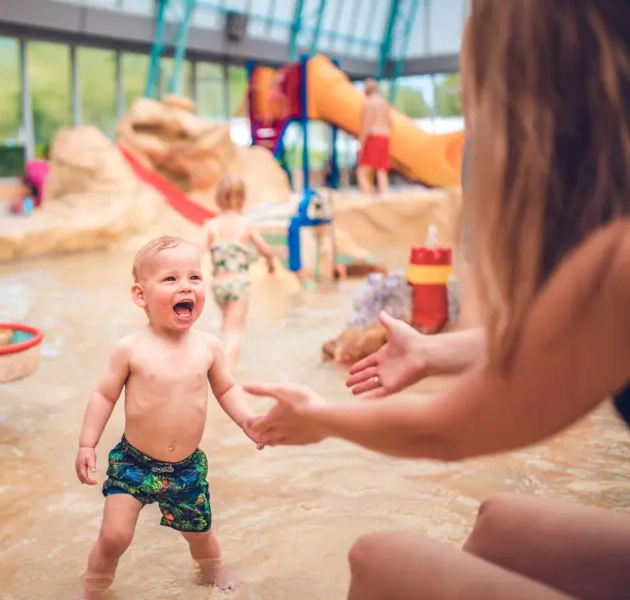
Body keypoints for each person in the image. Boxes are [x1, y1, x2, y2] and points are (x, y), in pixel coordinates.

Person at [246, 1, 630, 598]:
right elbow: (565, 340)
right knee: (496, 520)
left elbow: (450, 431)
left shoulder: (617, 262)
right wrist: (433, 352)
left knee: (379, 557)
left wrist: (320, 418)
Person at [73, 235, 263, 599]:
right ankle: (92, 588)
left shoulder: (208, 346)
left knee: (201, 535)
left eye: (194, 277)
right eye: (171, 279)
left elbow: (226, 390)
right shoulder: (131, 349)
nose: (186, 286)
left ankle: (211, 572)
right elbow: (104, 395)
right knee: (114, 536)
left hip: (185, 467)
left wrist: (248, 421)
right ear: (140, 295)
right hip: (134, 462)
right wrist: (87, 443)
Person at [202, 175, 276, 366]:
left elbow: (196, 254)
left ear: (217, 198)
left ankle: (222, 363)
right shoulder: (246, 224)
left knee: (227, 328)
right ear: (243, 199)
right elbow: (265, 249)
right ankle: (228, 376)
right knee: (234, 335)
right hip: (238, 285)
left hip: (218, 286)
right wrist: (270, 262)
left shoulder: (211, 226)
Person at [356, 78, 392, 197]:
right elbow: (389, 123)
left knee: (361, 171)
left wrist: (361, 144)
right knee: (381, 170)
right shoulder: (384, 103)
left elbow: (366, 125)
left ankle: (367, 198)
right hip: (385, 137)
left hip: (373, 136)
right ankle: (384, 197)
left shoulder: (369, 103)